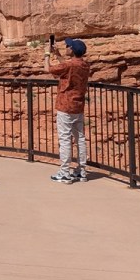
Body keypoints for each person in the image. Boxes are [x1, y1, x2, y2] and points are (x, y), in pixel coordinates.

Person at [45, 37, 91, 182]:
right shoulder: (84, 65)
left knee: (64, 139)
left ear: (71, 50)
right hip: (78, 106)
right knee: (80, 139)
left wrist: (47, 54)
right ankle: (81, 171)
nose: (66, 47)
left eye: (67, 46)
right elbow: (66, 66)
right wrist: (57, 53)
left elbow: (47, 69)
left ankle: (65, 172)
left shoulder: (70, 65)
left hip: (65, 107)